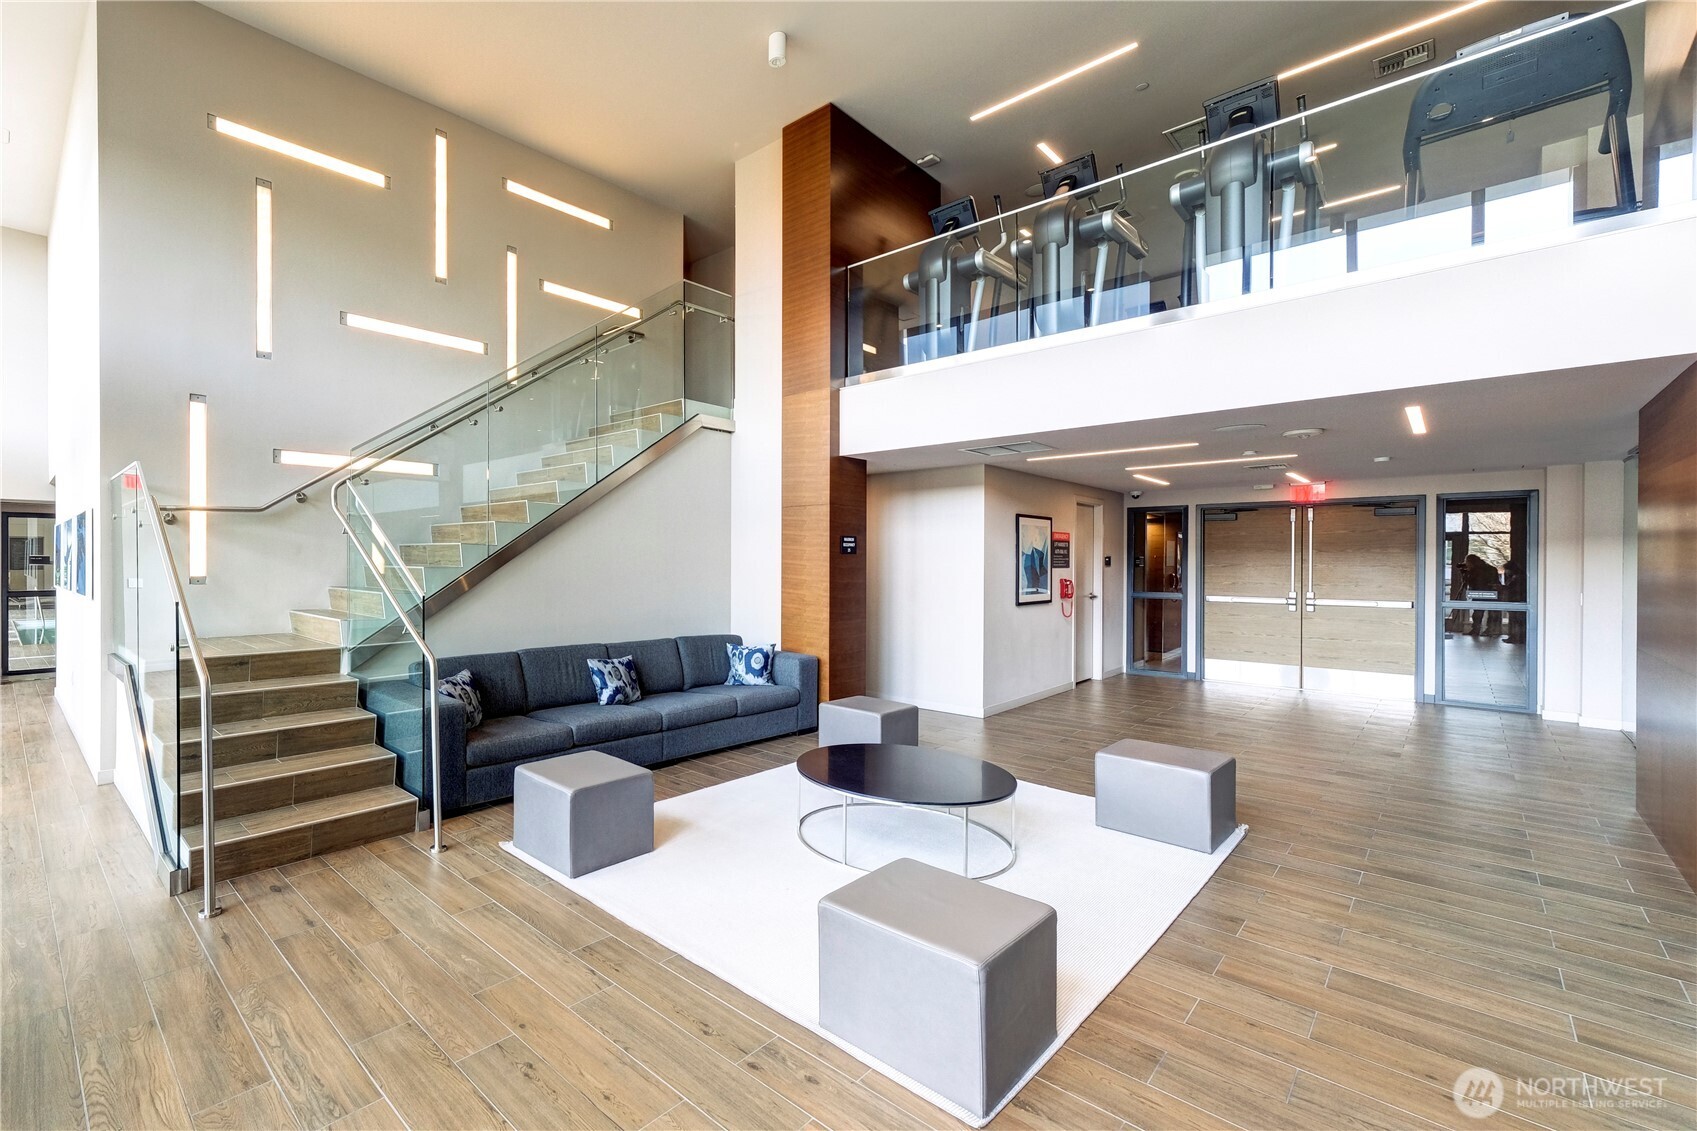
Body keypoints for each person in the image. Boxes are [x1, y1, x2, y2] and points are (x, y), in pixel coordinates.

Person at [1464, 554, 1501, 636]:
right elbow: (1495, 581)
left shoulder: (1474, 570)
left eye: (1467, 562)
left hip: (1479, 593)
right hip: (1491, 593)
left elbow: (1470, 582)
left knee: (1477, 613)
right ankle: (1490, 630)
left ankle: (1476, 630)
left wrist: (1467, 573)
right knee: (1491, 613)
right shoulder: (1491, 568)